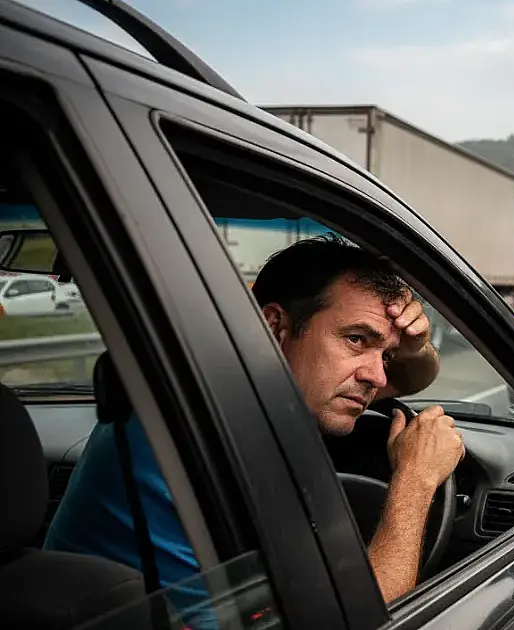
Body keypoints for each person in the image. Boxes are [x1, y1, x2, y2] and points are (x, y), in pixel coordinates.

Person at [44, 234, 465, 616]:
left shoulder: (221, 387)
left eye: (385, 356)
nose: (376, 375)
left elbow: (410, 378)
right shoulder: (214, 438)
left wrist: (411, 346)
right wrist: (416, 480)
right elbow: (357, 618)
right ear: (274, 326)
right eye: (356, 339)